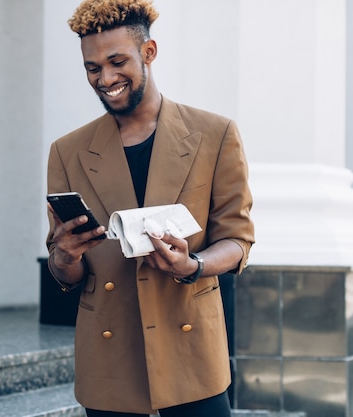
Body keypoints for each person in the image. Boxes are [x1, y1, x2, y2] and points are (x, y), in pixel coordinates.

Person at [45, 1, 255, 416]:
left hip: (190, 348)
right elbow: (64, 271)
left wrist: (192, 264)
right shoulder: (67, 152)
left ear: (149, 52)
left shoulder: (215, 134)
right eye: (92, 68)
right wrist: (64, 256)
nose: (105, 79)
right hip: (109, 351)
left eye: (117, 61)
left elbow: (238, 239)